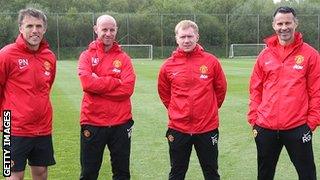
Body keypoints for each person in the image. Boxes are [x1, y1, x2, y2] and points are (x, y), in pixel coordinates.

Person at [248, 6, 320, 180]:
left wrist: (310, 124)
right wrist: (254, 119)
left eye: (288, 22)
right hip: (265, 127)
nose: (284, 27)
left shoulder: (310, 55)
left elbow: (317, 92)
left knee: (307, 174)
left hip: (298, 127)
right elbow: (255, 89)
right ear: (274, 25)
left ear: (296, 23)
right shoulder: (264, 55)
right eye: (280, 23)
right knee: (264, 174)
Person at [158, 20, 227, 180]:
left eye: (190, 36)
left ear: (197, 37)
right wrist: (177, 110)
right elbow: (164, 93)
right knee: (176, 173)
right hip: (178, 128)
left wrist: (208, 110)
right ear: (176, 38)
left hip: (207, 128)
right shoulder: (168, 66)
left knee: (211, 172)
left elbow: (220, 90)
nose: (186, 40)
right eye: (183, 36)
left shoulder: (211, 61)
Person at [0, 8, 56, 180]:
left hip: (42, 127)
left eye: (39, 26)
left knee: (41, 172)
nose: (35, 30)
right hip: (14, 127)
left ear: (44, 29)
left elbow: (47, 87)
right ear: (20, 28)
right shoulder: (7, 54)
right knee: (15, 175)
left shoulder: (49, 57)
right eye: (29, 25)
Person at [78, 14, 136, 180]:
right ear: (96, 29)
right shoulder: (86, 56)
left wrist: (100, 82)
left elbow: (127, 89)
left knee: (122, 173)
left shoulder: (124, 59)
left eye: (112, 29)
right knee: (89, 173)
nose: (108, 33)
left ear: (116, 30)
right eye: (104, 29)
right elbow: (87, 84)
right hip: (93, 121)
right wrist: (115, 82)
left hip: (121, 123)